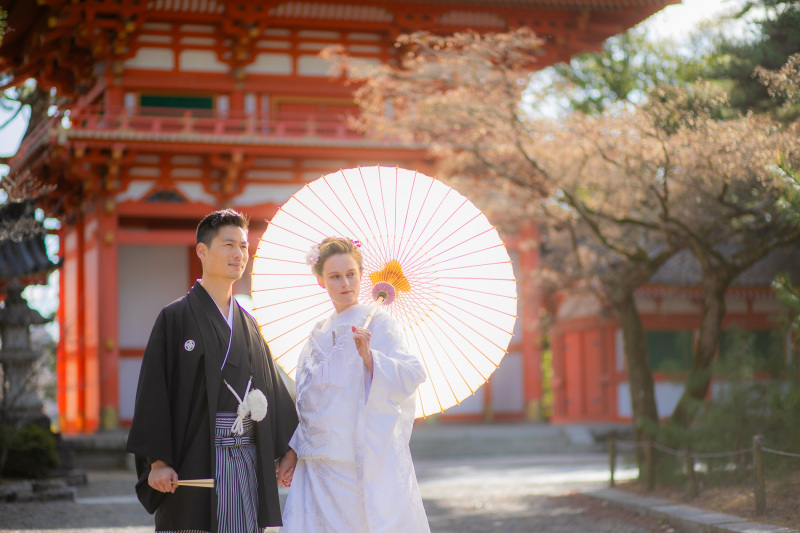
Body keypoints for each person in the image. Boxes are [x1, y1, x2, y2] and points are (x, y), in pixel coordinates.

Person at [126, 209, 299, 533]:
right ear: (202, 251)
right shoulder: (175, 318)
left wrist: (289, 448)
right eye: (229, 244)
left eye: (244, 246)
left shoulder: (248, 323)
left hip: (245, 457)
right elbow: (154, 392)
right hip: (194, 457)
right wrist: (159, 462)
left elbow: (272, 390)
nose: (239, 254)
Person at [278, 237, 431, 533]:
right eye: (335, 276)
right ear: (321, 280)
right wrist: (293, 451)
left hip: (353, 461)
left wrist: (371, 358)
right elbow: (307, 401)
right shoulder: (317, 331)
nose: (345, 283)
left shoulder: (379, 323)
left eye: (351, 274)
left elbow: (412, 372)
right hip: (315, 463)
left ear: (361, 275)